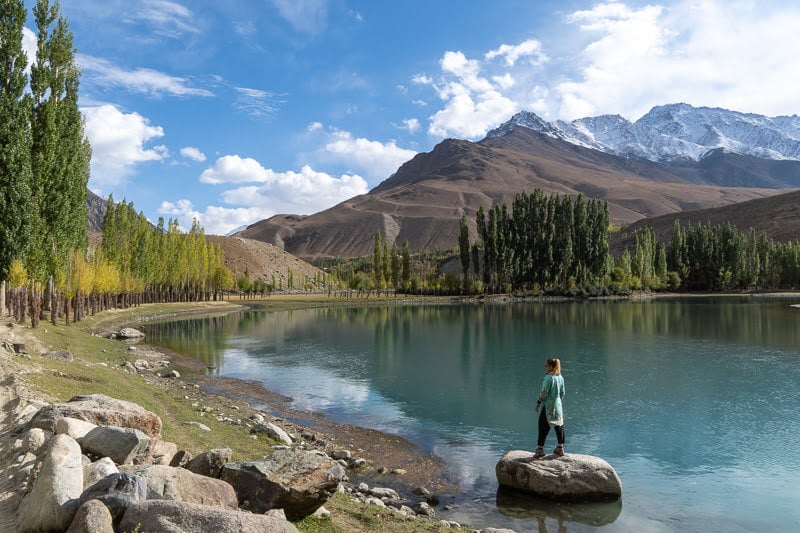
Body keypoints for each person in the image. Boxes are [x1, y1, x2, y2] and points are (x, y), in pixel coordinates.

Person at [534, 357, 565, 458]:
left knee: (543, 426)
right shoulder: (560, 377)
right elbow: (562, 393)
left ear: (551, 366)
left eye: (546, 365)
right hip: (558, 405)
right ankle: (560, 448)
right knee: (559, 426)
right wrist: (558, 402)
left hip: (548, 406)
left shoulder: (549, 378)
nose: (545, 367)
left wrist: (538, 403)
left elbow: (544, 393)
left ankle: (540, 450)